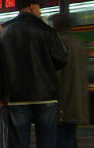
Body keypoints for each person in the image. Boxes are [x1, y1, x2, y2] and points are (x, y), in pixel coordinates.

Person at [0, 0, 67, 148]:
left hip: (17, 96)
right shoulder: (47, 30)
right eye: (39, 7)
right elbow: (61, 59)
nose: (40, 11)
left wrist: (1, 94)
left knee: (19, 142)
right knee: (47, 141)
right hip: (46, 95)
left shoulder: (4, 32)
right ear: (32, 7)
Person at [48, 13, 90, 148]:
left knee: (60, 137)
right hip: (78, 99)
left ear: (56, 26)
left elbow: (55, 74)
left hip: (63, 100)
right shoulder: (79, 43)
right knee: (70, 135)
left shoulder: (59, 42)